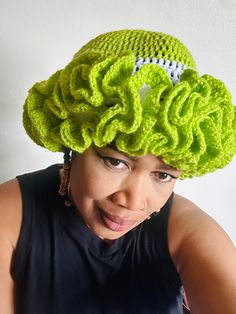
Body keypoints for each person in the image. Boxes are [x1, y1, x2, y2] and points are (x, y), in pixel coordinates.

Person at [0, 29, 236, 314]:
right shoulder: (12, 212)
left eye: (163, 175)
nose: (134, 202)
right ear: (75, 142)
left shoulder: (185, 230)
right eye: (115, 161)